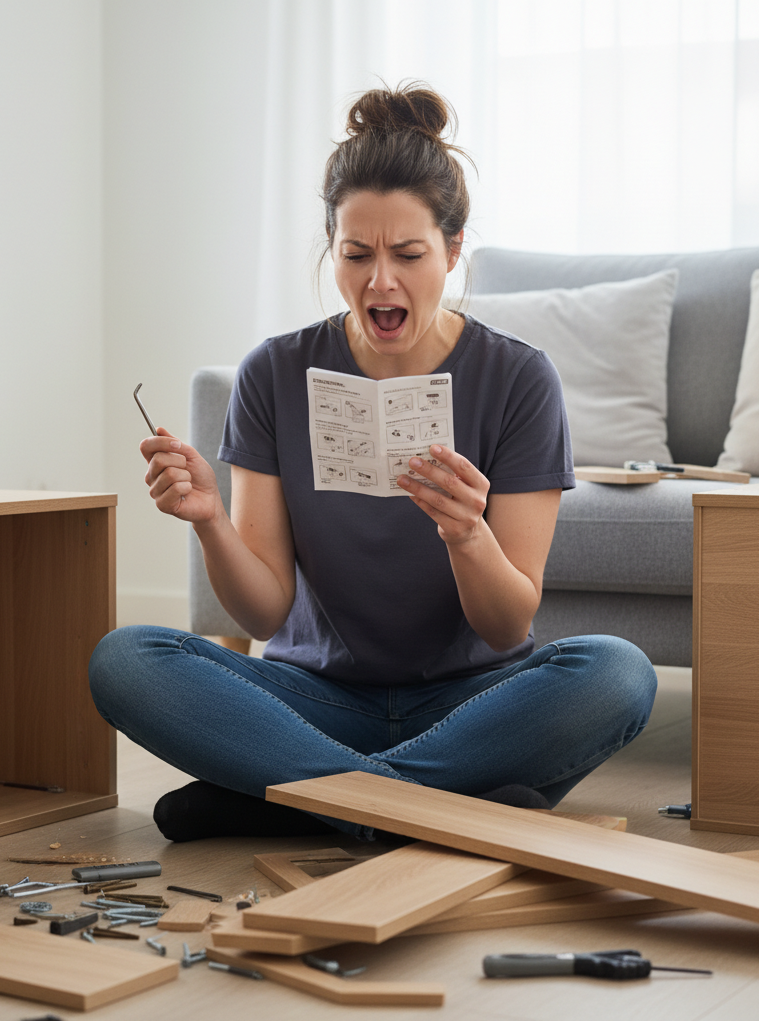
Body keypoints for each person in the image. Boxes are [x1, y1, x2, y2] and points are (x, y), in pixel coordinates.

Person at [89, 82, 656, 843]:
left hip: (471, 698)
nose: (380, 282)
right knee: (126, 657)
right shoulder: (274, 374)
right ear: (332, 249)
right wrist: (212, 522)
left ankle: (311, 799)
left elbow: (506, 623)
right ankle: (443, 804)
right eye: (356, 255)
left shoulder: (519, 377)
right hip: (314, 695)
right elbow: (261, 613)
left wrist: (467, 534)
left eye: (409, 255)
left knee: (618, 672)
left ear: (454, 252)